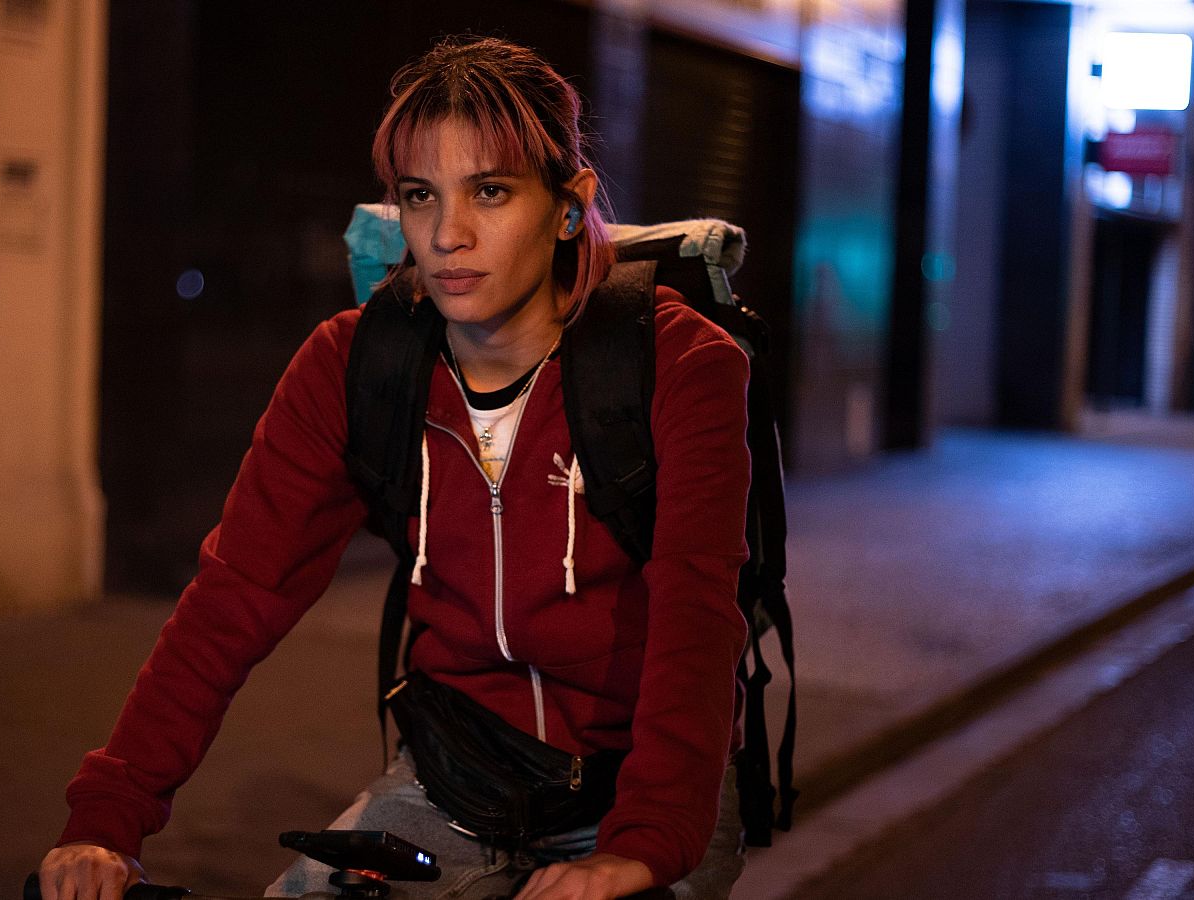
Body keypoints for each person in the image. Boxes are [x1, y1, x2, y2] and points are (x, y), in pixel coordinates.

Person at [38, 36, 751, 900]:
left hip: (644, 784)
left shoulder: (678, 363)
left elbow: (697, 608)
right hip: (456, 777)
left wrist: (643, 844)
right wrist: (106, 821)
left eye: (490, 191)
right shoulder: (357, 364)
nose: (448, 235)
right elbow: (234, 597)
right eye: (421, 196)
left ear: (569, 205)